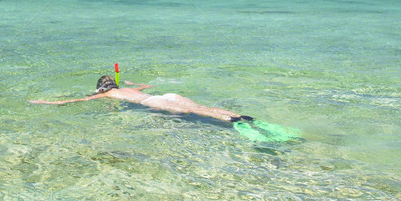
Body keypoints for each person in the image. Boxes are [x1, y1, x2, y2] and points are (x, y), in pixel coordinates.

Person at [29, 75, 253, 123]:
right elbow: (148, 86)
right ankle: (234, 114)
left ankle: (228, 120)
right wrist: (132, 84)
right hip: (163, 95)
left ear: (100, 89)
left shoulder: (106, 94)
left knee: (190, 112)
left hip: (152, 103)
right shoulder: (123, 89)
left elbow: (74, 102)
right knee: (196, 106)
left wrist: (46, 103)